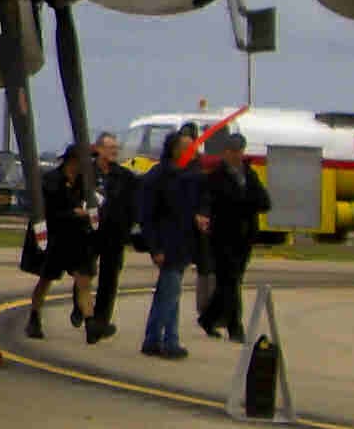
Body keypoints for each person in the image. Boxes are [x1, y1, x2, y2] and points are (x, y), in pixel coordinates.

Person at [196, 134, 271, 340]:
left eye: (240, 151)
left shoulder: (249, 175)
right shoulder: (215, 176)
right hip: (222, 237)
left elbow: (264, 202)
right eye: (233, 151)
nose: (237, 155)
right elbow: (212, 202)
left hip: (244, 238)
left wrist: (245, 202)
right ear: (226, 152)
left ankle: (208, 318)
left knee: (230, 282)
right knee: (229, 282)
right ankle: (234, 327)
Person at [136, 127, 202, 358]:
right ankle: (162, 339)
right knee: (169, 293)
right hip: (166, 244)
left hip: (183, 244)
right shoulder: (158, 176)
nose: (192, 152)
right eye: (186, 148)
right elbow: (147, 216)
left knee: (169, 293)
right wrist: (155, 248)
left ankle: (158, 339)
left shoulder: (190, 176)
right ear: (174, 150)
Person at [20, 144, 96, 340]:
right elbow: (46, 212)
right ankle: (34, 318)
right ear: (73, 161)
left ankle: (90, 324)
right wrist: (72, 213)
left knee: (83, 280)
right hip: (55, 238)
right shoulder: (51, 180)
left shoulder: (84, 182)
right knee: (46, 280)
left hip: (76, 238)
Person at [87, 131, 137, 345]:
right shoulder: (86, 172)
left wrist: (127, 227)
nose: (113, 152)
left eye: (116, 148)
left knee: (109, 279)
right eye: (109, 148)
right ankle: (82, 309)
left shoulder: (124, 176)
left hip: (114, 234)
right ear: (98, 149)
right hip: (89, 232)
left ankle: (101, 322)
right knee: (84, 272)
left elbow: (133, 204)